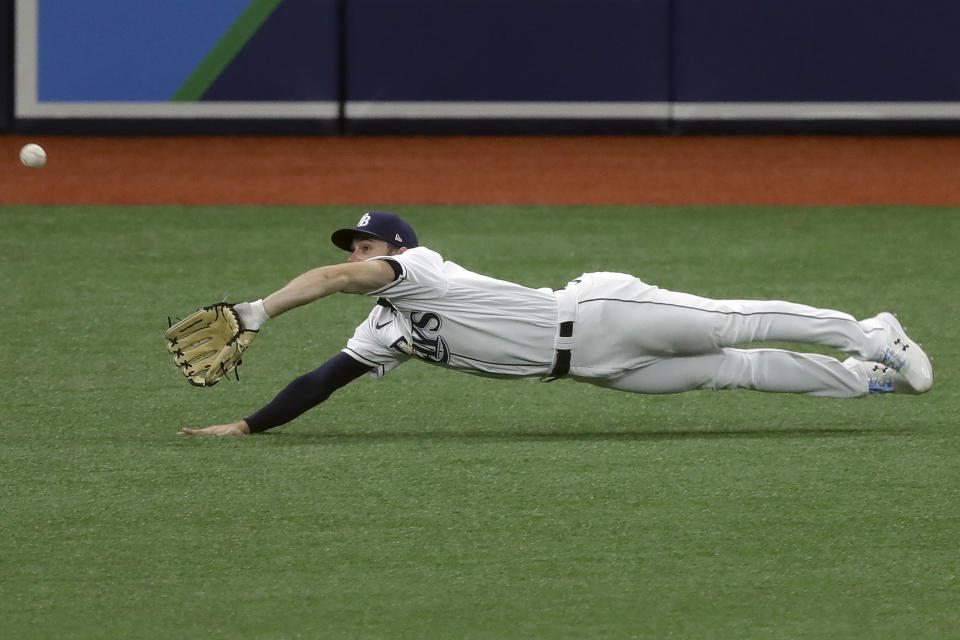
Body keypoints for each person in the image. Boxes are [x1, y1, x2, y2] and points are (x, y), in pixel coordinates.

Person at [178, 211, 934, 436]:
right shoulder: (384, 329)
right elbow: (323, 381)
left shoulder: (420, 267)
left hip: (601, 313)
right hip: (597, 369)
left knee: (731, 325)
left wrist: (257, 312)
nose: (360, 254)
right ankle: (865, 378)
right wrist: (246, 428)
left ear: (397, 249)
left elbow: (335, 278)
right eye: (355, 245)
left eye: (369, 242)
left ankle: (871, 332)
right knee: (729, 371)